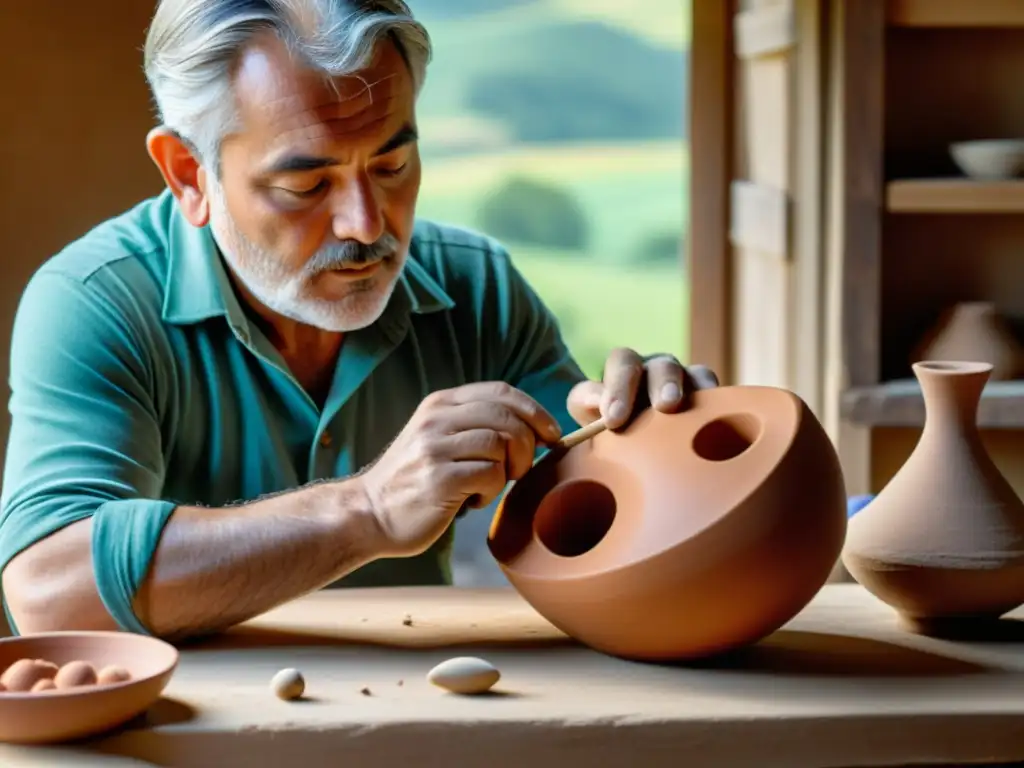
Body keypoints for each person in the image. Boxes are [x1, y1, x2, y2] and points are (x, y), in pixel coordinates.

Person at [0, 0, 718, 642]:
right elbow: (48, 589)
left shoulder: (479, 284)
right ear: (190, 174)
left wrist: (657, 437)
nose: (367, 224)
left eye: (392, 165)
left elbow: (592, 503)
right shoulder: (94, 300)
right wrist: (366, 510)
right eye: (304, 184)